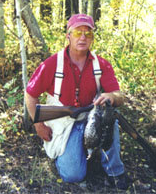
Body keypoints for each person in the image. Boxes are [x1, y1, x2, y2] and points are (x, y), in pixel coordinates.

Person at [25, 14, 129, 189]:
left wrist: (111, 97)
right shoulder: (51, 64)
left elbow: (119, 95)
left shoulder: (102, 64)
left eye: (88, 34)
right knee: (73, 175)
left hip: (91, 117)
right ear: (68, 36)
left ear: (92, 38)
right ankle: (72, 151)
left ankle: (114, 171)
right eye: (77, 32)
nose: (83, 37)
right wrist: (39, 125)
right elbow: (30, 94)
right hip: (64, 121)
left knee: (111, 118)